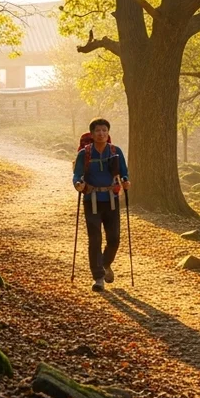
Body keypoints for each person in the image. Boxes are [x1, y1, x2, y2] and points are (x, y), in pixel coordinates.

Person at [73, 118, 129, 292]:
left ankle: (105, 264)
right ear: (92, 133)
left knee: (114, 239)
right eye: (98, 130)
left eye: (104, 130)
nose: (101, 134)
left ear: (108, 132)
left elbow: (124, 173)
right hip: (92, 201)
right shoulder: (85, 153)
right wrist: (78, 184)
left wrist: (126, 182)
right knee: (95, 239)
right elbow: (77, 175)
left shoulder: (115, 151)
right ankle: (98, 277)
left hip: (111, 200)